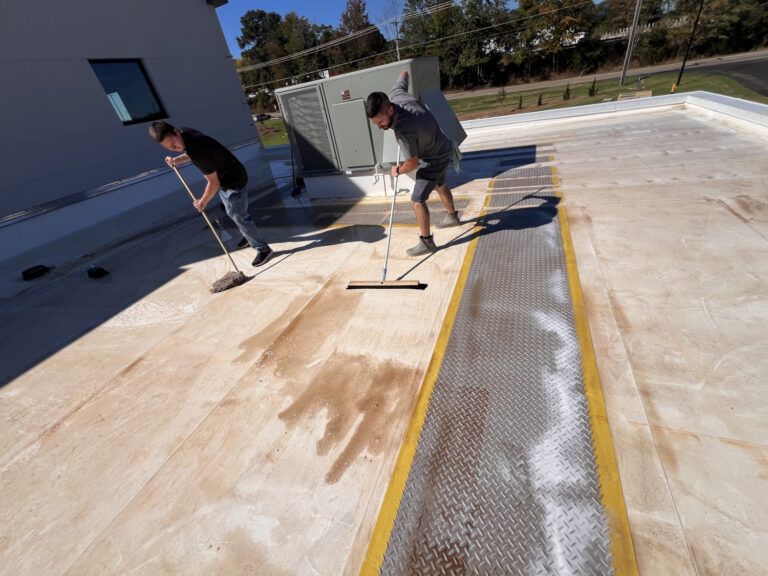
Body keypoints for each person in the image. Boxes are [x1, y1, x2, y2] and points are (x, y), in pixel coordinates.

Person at [148, 121, 274, 267]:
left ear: (176, 132)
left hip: (232, 181)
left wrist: (202, 201)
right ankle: (249, 235)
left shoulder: (197, 151)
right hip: (229, 172)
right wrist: (178, 160)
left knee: (238, 215)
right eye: (169, 148)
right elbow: (191, 152)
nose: (174, 149)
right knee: (233, 211)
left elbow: (213, 183)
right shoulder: (185, 133)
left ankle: (263, 249)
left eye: (173, 144)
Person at [365, 71, 460, 256]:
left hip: (434, 158)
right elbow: (404, 74)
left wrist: (397, 170)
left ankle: (427, 242)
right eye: (375, 123)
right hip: (442, 146)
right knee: (440, 185)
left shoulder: (404, 130)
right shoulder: (396, 94)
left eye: (381, 122)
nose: (379, 127)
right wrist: (404, 76)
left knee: (417, 200)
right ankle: (452, 217)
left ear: (390, 110)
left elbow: (412, 163)